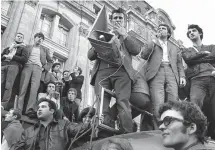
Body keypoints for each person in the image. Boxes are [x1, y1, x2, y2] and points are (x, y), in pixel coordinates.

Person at [88, 8, 141, 133]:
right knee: (101, 104)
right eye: (115, 18)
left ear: (124, 21)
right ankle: (103, 132)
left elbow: (136, 50)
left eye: (120, 18)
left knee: (123, 102)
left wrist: (125, 35)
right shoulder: (102, 34)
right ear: (111, 20)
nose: (117, 20)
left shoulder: (127, 35)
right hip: (102, 71)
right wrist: (98, 44)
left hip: (122, 72)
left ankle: (126, 134)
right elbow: (90, 55)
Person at [141, 23, 186, 120]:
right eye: (159, 28)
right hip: (156, 72)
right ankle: (159, 128)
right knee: (158, 102)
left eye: (163, 28)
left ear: (168, 33)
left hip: (171, 73)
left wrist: (182, 76)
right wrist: (153, 41)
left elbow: (179, 64)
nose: (160, 30)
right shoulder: (152, 43)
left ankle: (171, 126)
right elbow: (143, 55)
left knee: (173, 101)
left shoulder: (174, 47)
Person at [14, 98, 90, 150]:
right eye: (38, 107)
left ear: (52, 111)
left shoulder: (64, 125)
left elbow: (79, 130)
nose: (39, 109)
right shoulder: (28, 132)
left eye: (43, 107)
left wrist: (90, 122)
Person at [181, 24, 215, 139]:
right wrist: (203, 54)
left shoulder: (211, 47)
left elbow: (213, 57)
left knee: (213, 109)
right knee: (195, 105)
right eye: (189, 32)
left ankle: (212, 136)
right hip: (197, 80)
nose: (191, 32)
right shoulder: (187, 50)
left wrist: (196, 58)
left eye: (194, 30)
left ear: (200, 33)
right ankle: (195, 135)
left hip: (213, 78)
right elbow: (188, 59)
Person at [17, 32, 53, 117]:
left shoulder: (45, 50)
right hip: (27, 67)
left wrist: (45, 68)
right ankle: (18, 110)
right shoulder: (27, 47)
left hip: (38, 69)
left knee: (34, 90)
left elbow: (50, 61)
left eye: (42, 39)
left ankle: (29, 110)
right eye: (38, 37)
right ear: (35, 38)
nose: (40, 39)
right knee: (23, 89)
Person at [1, 32, 27, 110]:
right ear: (15, 37)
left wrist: (12, 57)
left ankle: (3, 104)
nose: (19, 38)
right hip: (3, 65)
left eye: (21, 37)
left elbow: (24, 59)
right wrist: (5, 56)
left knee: (8, 85)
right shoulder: (8, 48)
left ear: (22, 40)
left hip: (14, 66)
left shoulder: (23, 48)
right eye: (18, 36)